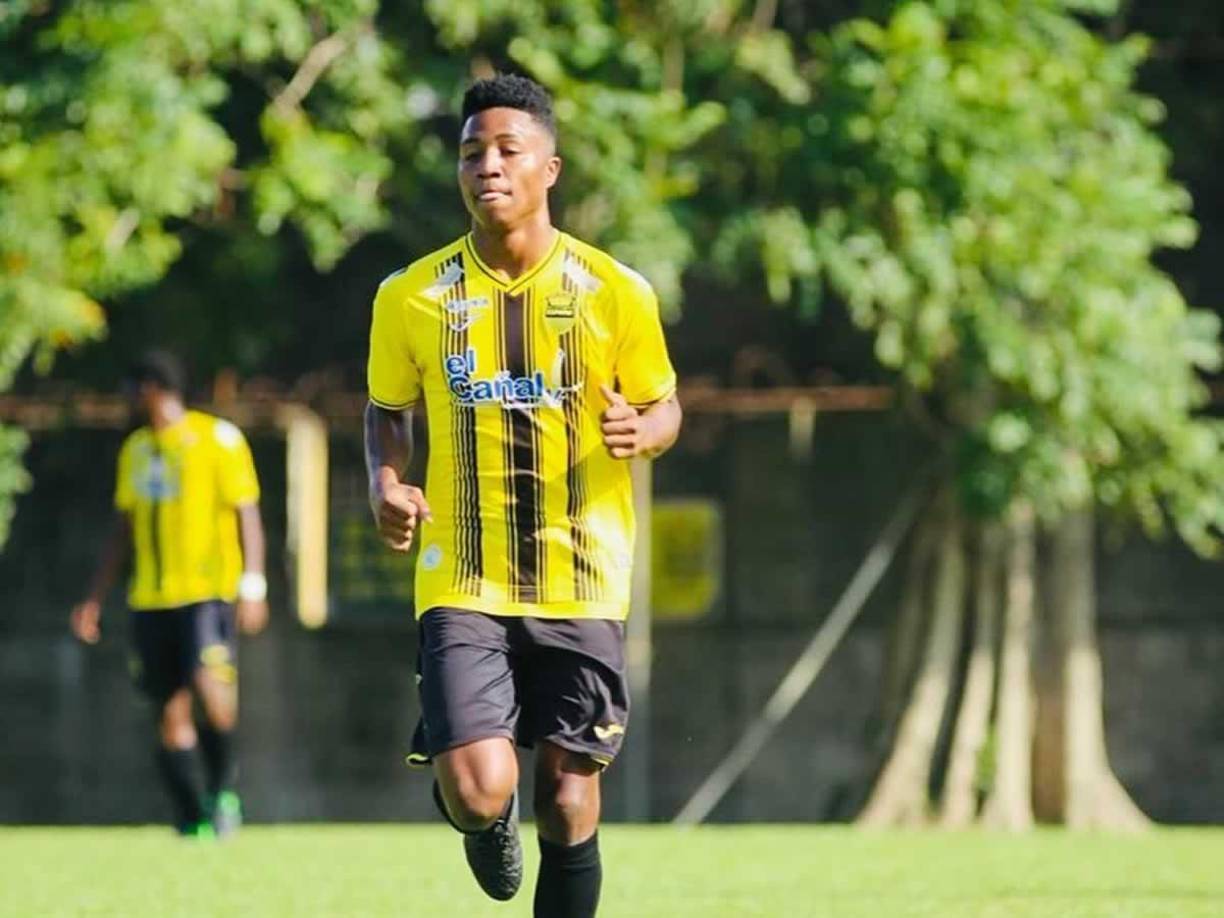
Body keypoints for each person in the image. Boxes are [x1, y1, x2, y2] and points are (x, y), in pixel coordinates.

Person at [365, 73, 682, 917]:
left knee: (569, 799)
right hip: (462, 577)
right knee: (478, 789)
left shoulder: (616, 291)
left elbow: (663, 404)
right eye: (472, 152)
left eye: (509, 150)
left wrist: (645, 433)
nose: (488, 166)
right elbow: (386, 412)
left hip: (583, 574)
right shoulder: (413, 297)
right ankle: (475, 818)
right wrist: (384, 480)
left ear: (551, 168)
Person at [70, 350, 268, 838]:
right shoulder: (136, 450)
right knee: (167, 709)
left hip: (207, 593)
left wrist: (254, 583)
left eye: (132, 390)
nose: (128, 401)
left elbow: (247, 513)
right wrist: (94, 597)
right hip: (150, 600)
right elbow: (125, 527)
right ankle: (189, 818)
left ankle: (223, 791)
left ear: (153, 389)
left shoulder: (217, 439)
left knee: (211, 691)